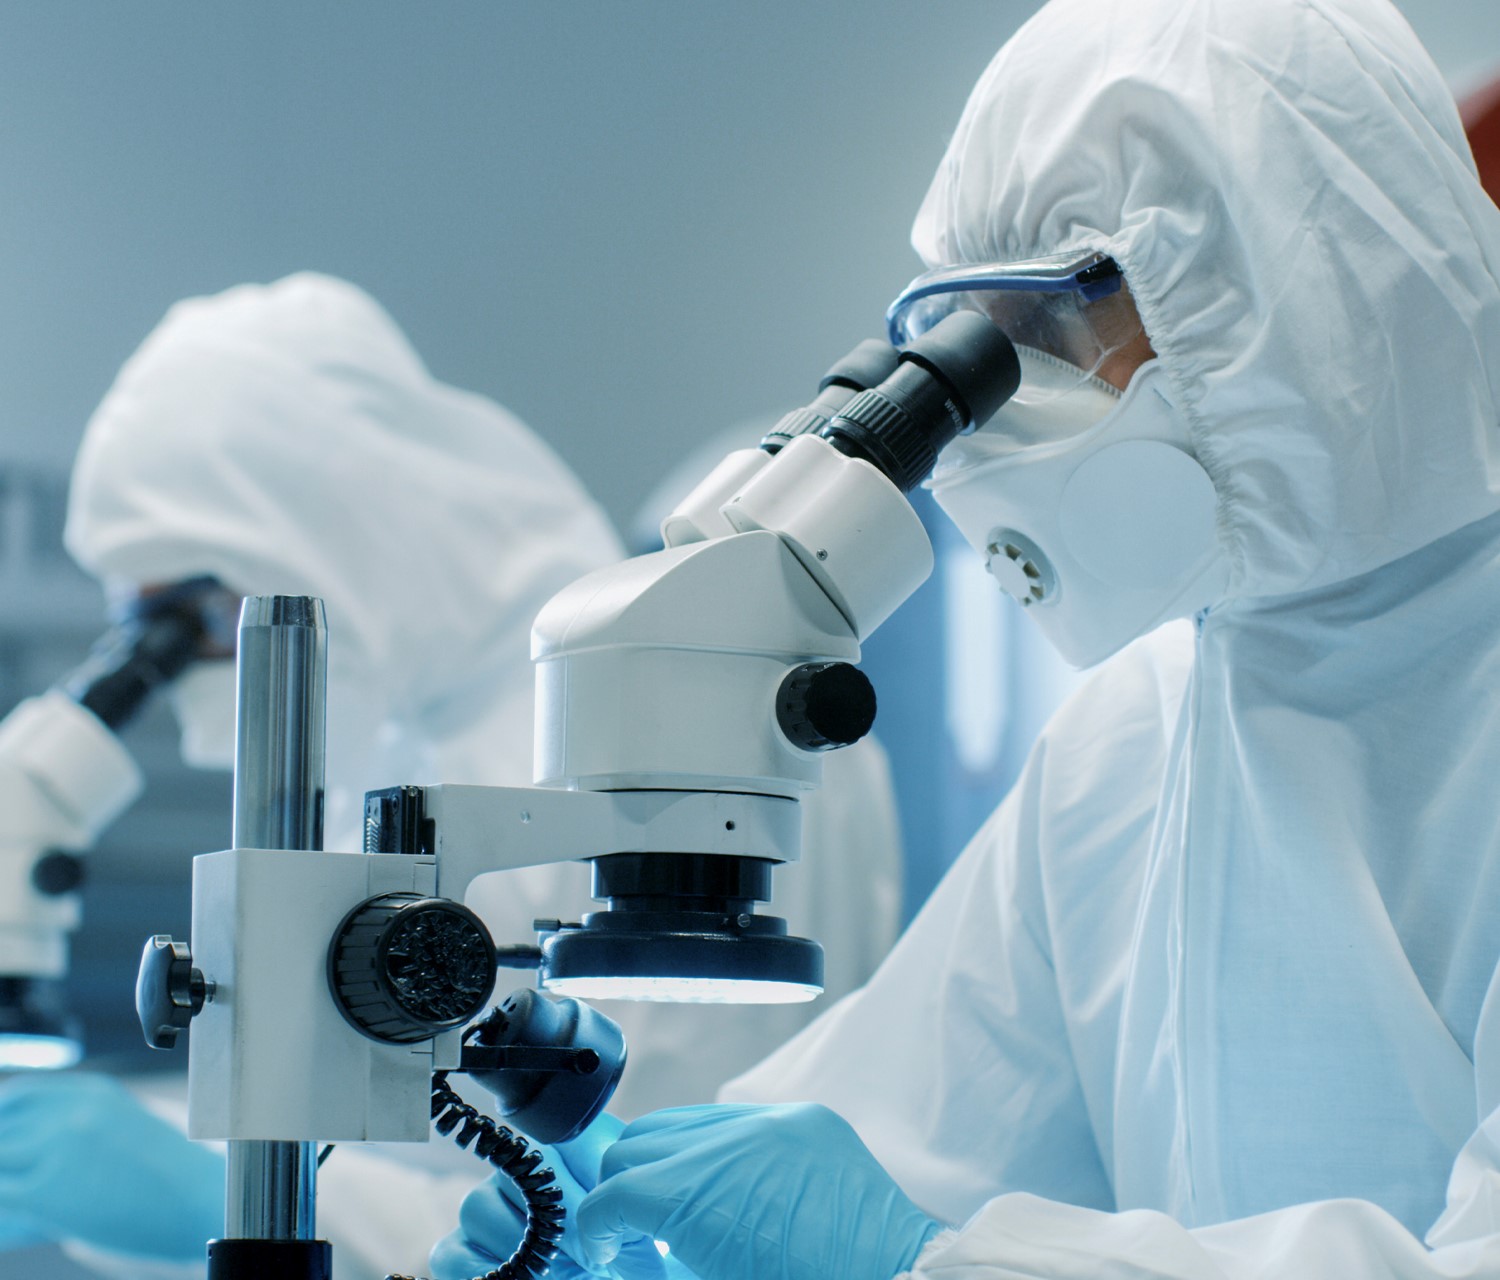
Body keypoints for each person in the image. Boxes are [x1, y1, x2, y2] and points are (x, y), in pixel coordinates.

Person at [436, 0, 1500, 1277]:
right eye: (979, 344)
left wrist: (924, 1257)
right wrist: (618, 1203)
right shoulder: (1134, 735)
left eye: (1056, 331)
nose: (998, 428)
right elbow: (897, 1133)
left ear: (1310, 285)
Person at [0, 272, 902, 1278]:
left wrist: (193, 1185)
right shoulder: (400, 754)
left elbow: (639, 1196)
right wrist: (153, 1137)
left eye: (201, 614)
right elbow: (393, 1125)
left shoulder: (666, 712)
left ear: (326, 534)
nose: (199, 668)